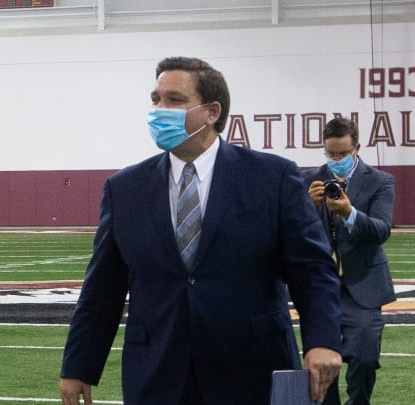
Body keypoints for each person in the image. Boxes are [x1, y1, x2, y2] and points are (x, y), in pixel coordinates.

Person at [59, 56, 343, 405]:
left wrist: (323, 340)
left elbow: (312, 270)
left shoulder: (273, 178)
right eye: (155, 99)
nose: (159, 109)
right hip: (157, 374)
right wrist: (79, 365)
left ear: (212, 112)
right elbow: (103, 287)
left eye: (174, 100)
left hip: (251, 369)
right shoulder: (125, 188)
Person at [304, 117, 396, 405]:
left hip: (363, 286)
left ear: (357, 147)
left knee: (366, 359)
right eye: (330, 154)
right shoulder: (308, 180)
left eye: (343, 154)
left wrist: (349, 213)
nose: (336, 159)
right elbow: (290, 233)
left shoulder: (381, 181)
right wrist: (308, 207)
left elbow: (381, 230)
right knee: (320, 364)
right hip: (321, 288)